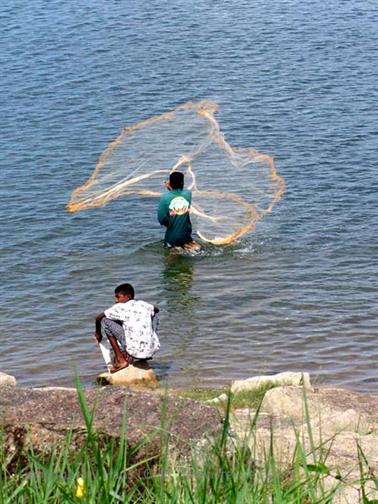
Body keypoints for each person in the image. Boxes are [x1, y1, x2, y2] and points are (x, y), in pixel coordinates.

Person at [94, 283, 160, 373]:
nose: (116, 301)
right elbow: (156, 309)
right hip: (152, 349)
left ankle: (121, 360)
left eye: (118, 297)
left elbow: (98, 317)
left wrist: (98, 333)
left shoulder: (120, 307)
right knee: (154, 316)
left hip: (134, 350)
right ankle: (145, 353)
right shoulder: (143, 304)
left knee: (106, 321)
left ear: (128, 297)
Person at [157, 171, 201, 250]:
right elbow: (178, 194)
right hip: (186, 236)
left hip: (172, 238)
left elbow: (161, 220)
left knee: (170, 259)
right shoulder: (188, 194)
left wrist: (172, 215)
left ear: (170, 184)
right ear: (182, 183)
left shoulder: (165, 198)